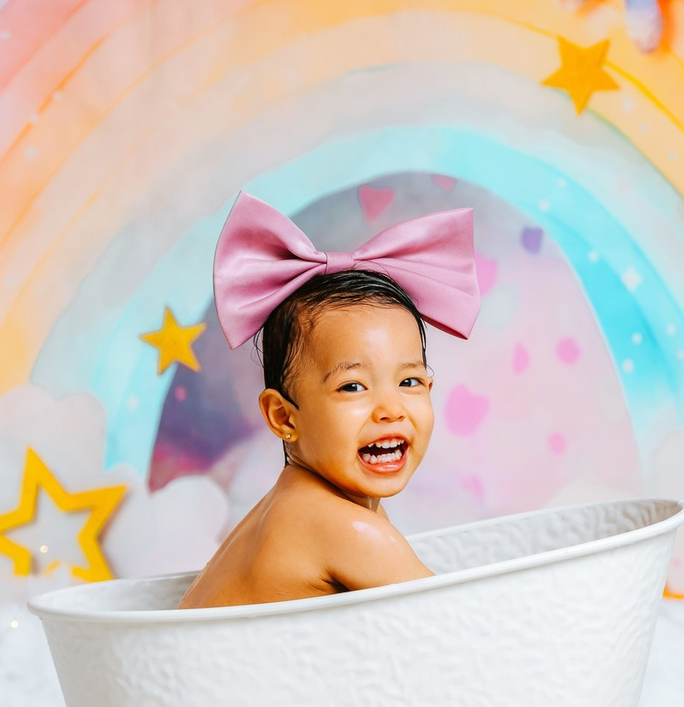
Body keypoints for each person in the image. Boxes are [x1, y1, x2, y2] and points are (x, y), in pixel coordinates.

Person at [180, 193, 480, 608]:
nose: (390, 409)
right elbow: (461, 623)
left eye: (408, 381)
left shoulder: (297, 505)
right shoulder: (344, 530)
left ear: (430, 388)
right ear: (284, 416)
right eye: (353, 387)